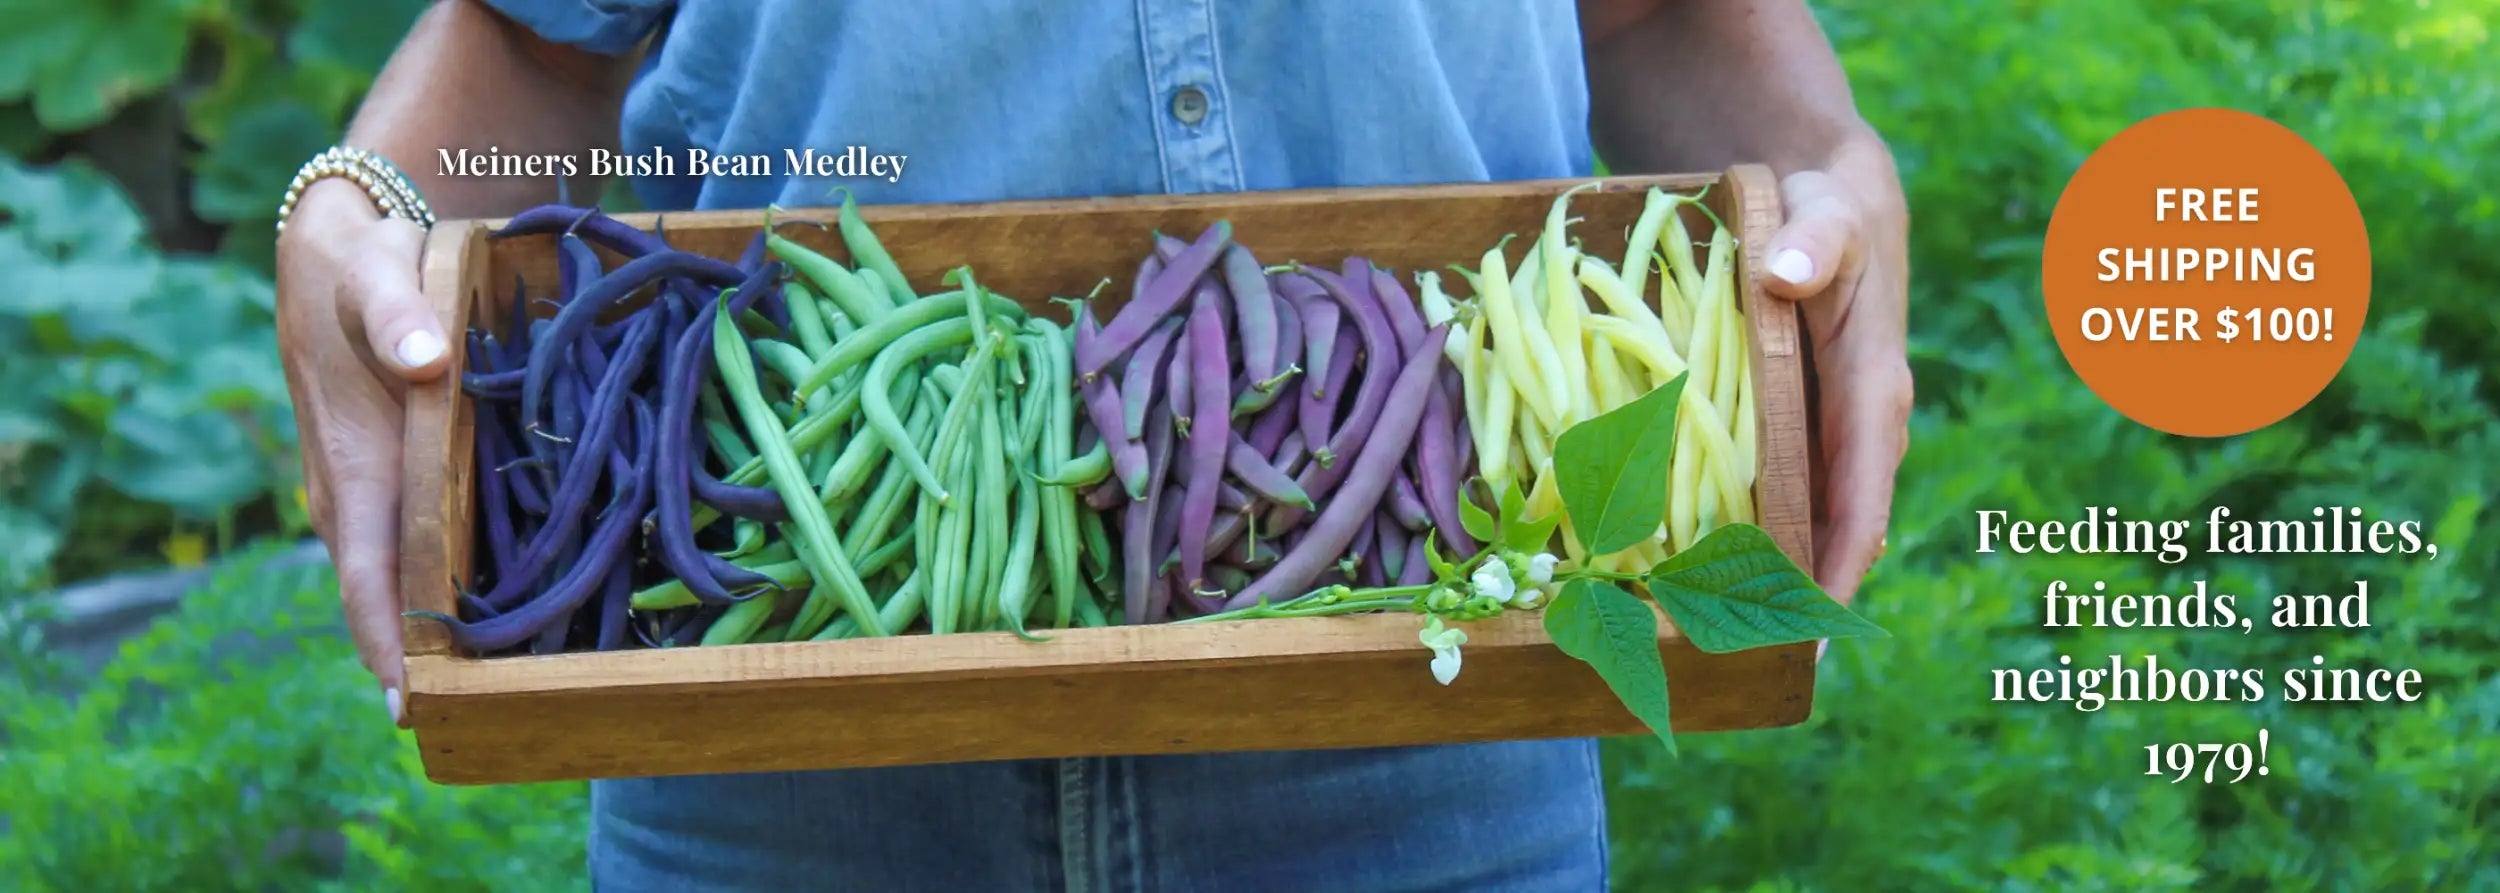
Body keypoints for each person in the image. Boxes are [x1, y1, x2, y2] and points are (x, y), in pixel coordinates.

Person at [275, 1, 1911, 888]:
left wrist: (1822, 160)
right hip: (779, 747)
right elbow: (549, 34)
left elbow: (1646, 19)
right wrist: (363, 203)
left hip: (1432, 723)